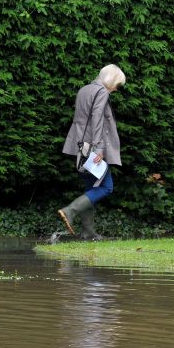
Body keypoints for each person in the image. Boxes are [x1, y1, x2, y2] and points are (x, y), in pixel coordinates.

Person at [59, 64, 126, 240]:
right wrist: (99, 148)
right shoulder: (102, 92)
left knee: (91, 188)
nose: (116, 89)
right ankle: (70, 210)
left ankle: (88, 233)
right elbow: (97, 121)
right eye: (117, 85)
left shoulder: (84, 89)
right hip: (94, 147)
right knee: (106, 187)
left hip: (80, 145)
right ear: (111, 80)